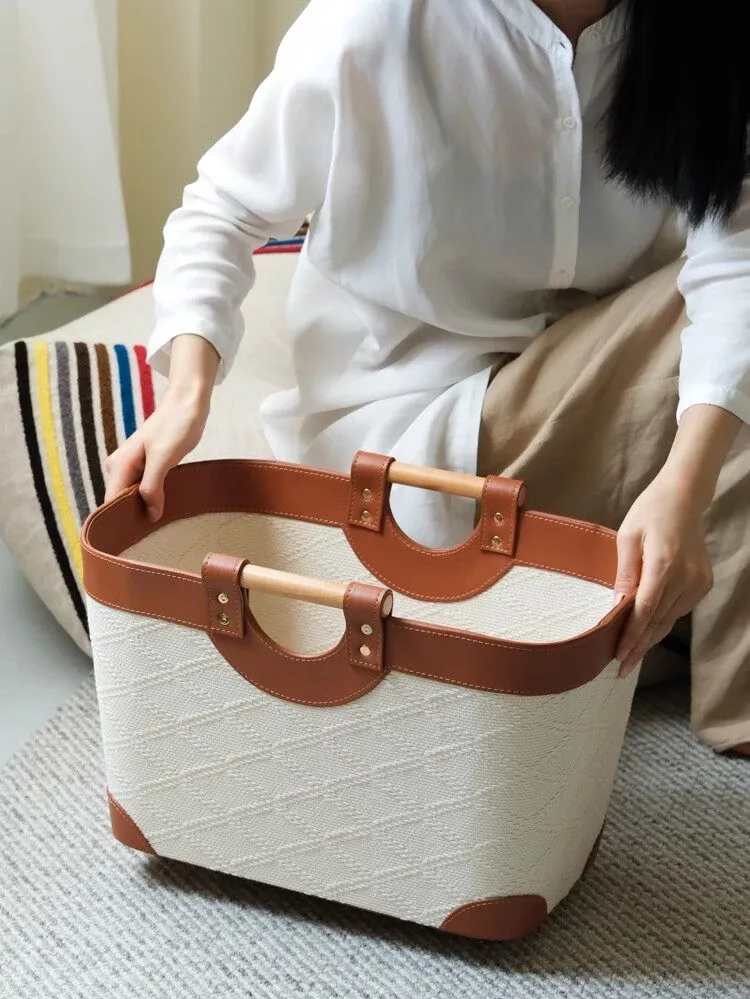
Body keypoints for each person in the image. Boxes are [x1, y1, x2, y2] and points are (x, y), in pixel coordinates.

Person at [105, 0, 749, 753]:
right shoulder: (377, 21)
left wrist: (683, 486)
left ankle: (635, 627)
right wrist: (186, 397)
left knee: (728, 353)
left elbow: (730, 259)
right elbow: (222, 210)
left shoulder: (700, 29)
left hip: (599, 419)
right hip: (417, 444)